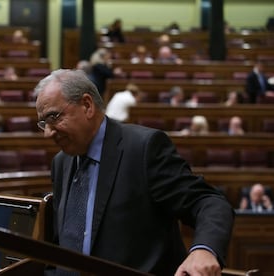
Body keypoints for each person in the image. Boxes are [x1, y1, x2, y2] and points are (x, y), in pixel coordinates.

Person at [34, 69, 233, 275]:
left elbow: (209, 202)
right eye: (43, 123)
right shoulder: (61, 163)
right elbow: (62, 243)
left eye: (54, 117)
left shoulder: (143, 148)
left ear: (87, 105)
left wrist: (204, 249)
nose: (48, 133)